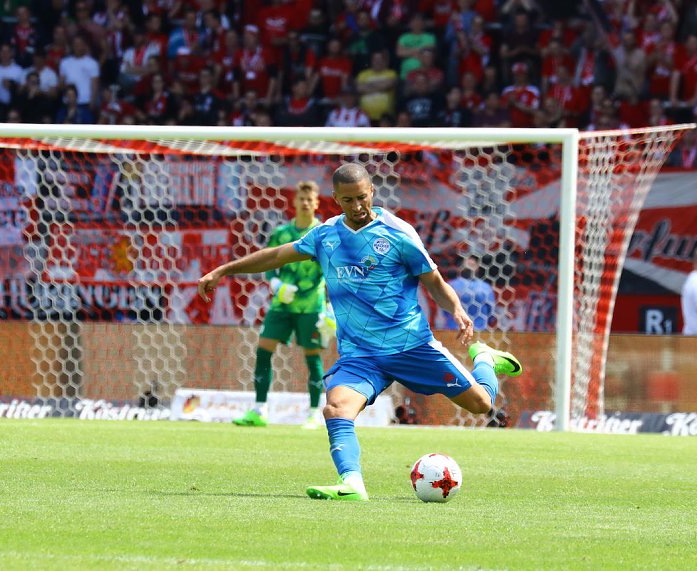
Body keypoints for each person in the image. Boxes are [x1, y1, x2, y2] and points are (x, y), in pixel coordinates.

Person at [198, 164, 522, 501]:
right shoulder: (324, 236)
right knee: (336, 408)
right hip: (360, 355)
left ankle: (485, 360)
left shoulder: (398, 233)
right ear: (335, 198)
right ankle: (352, 483)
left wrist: (456, 309)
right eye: (348, 200)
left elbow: (434, 282)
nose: (357, 206)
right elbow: (277, 256)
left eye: (362, 197)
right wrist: (224, 270)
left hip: (410, 346)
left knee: (481, 404)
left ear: (372, 192)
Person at [231, 181, 332, 430]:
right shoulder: (281, 233)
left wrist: (330, 308)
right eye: (302, 198)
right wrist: (276, 284)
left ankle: (313, 413)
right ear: (294, 202)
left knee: (312, 357)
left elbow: (332, 270)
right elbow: (268, 263)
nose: (305, 203)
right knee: (263, 348)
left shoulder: (323, 233)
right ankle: (259, 410)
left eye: (310, 199)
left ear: (316, 203)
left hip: (311, 306)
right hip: (282, 305)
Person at [444, 256, 495, 331]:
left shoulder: (485, 287)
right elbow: (491, 313)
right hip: (458, 329)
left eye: (472, 264)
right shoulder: (451, 285)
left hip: (475, 329)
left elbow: (491, 312)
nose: (470, 264)